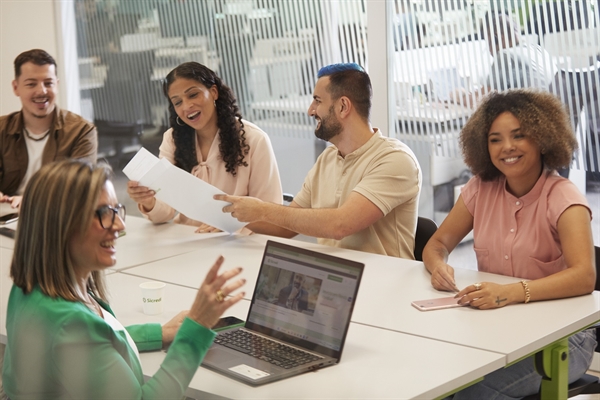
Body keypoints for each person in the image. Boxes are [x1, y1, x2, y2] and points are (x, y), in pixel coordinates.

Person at [2, 159, 245, 399]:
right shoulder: (71, 323)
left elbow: (97, 344)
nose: (119, 225)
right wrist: (198, 326)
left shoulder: (33, 286)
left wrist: (163, 333)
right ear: (61, 223)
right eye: (105, 213)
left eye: (117, 211)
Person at [423, 89, 596, 399]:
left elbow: (585, 275)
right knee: (435, 383)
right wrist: (438, 267)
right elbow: (436, 244)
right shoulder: (480, 188)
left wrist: (510, 293)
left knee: (470, 394)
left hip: (563, 338)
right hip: (499, 329)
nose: (507, 148)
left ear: (542, 138)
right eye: (495, 139)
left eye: (519, 136)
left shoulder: (565, 198)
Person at [216, 63, 422, 259]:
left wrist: (262, 210)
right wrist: (231, 216)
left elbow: (341, 225)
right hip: (335, 280)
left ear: (343, 106)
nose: (310, 110)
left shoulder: (395, 160)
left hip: (384, 285)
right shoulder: (328, 159)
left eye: (317, 100)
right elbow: (285, 226)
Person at [127, 62, 282, 233]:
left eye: (193, 95)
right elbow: (165, 214)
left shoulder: (255, 140)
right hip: (188, 239)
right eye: (177, 102)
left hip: (238, 242)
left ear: (214, 92)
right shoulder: (172, 139)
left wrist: (230, 223)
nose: (186, 106)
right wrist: (148, 201)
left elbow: (270, 215)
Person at [0, 49, 98, 209]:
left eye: (48, 83)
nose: (42, 91)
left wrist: (32, 200)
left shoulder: (82, 131)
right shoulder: (2, 129)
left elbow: (80, 187)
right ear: (16, 87)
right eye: (31, 84)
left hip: (58, 216)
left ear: (57, 85)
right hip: (8, 216)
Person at [454, 13, 556, 108]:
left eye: (489, 42)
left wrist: (459, 96)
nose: (489, 51)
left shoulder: (505, 55)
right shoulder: (538, 49)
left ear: (497, 37)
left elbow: (482, 101)